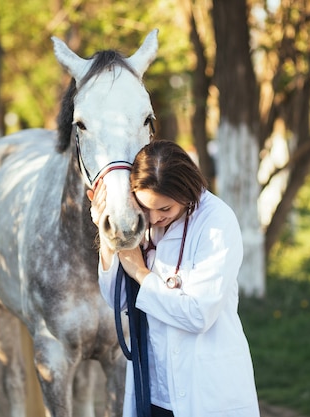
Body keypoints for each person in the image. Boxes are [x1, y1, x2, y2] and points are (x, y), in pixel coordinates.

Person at [89, 140, 260, 417]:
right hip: (155, 385)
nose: (154, 219)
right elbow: (118, 300)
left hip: (204, 388)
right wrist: (109, 237)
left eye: (165, 209)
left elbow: (197, 314)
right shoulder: (140, 221)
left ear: (187, 191)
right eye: (146, 208)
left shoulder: (216, 223)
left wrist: (139, 271)